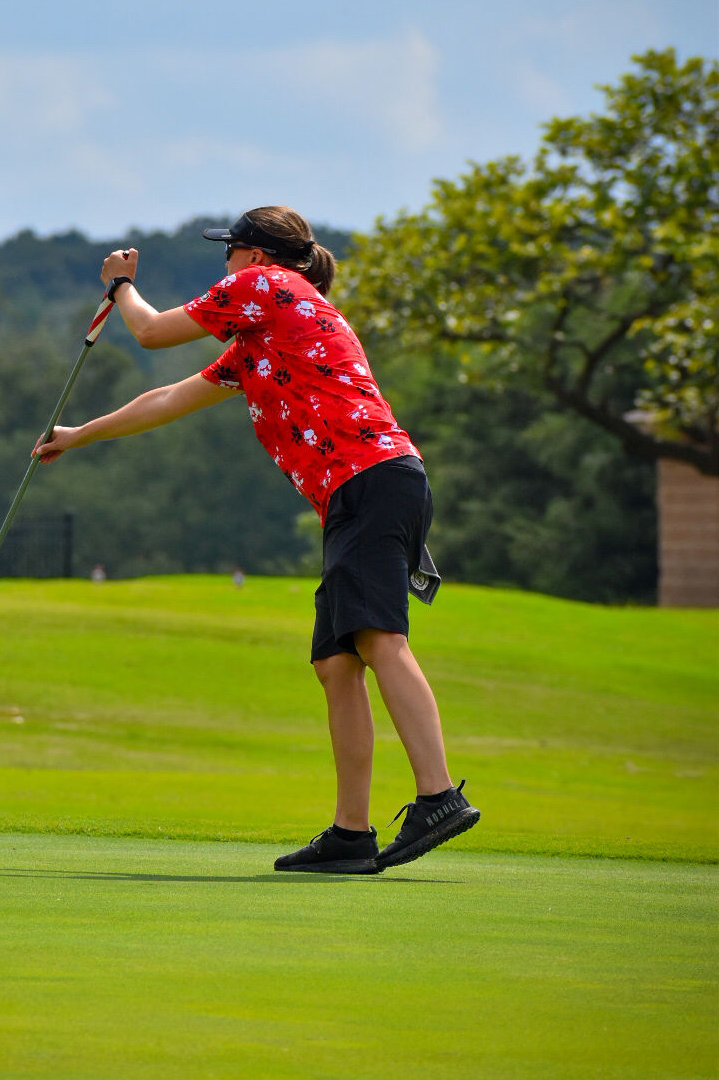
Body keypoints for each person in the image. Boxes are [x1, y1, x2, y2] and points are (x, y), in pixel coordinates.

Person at [34, 206, 479, 873]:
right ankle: (351, 834)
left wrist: (120, 286)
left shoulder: (265, 285)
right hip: (363, 490)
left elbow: (151, 333)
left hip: (370, 480)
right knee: (336, 663)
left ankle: (439, 796)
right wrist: (79, 436)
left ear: (255, 255)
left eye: (229, 251)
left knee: (380, 640)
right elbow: (168, 398)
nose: (225, 264)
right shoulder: (262, 337)